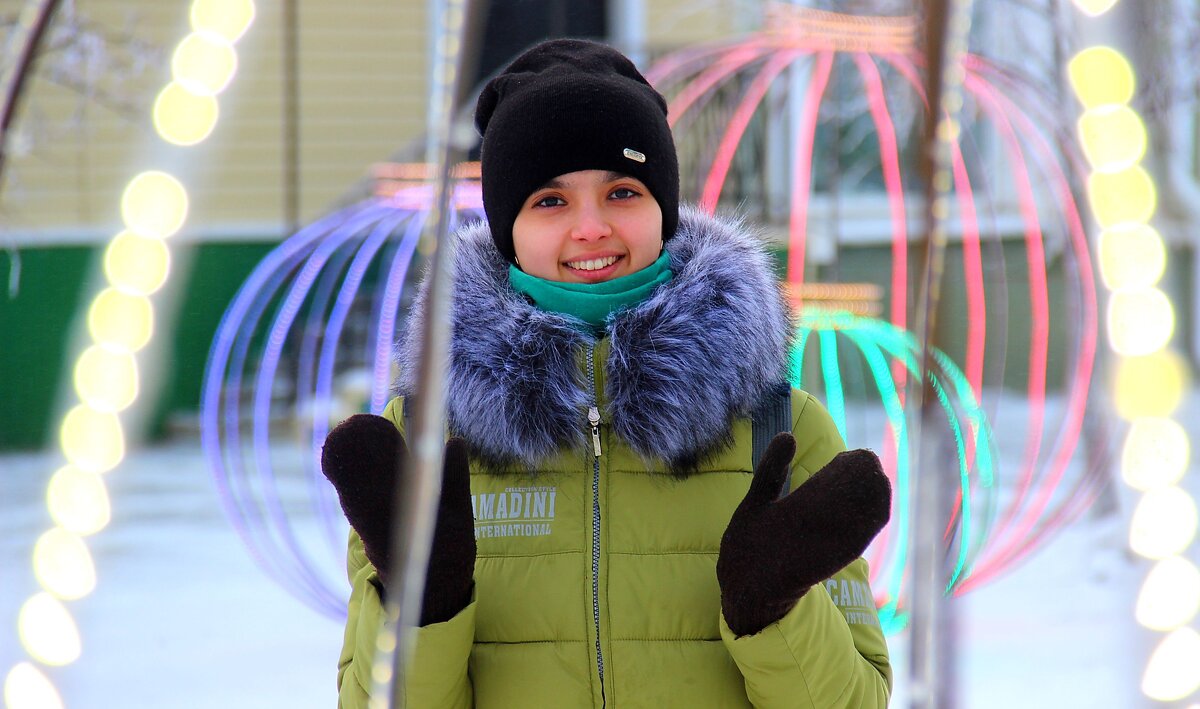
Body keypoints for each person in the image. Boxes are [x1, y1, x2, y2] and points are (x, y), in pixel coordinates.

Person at [321, 38, 893, 708]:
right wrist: (422, 605)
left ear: (663, 209)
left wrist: (776, 609)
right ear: (508, 227)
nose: (591, 228)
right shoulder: (420, 444)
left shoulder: (782, 430)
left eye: (622, 191)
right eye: (550, 201)